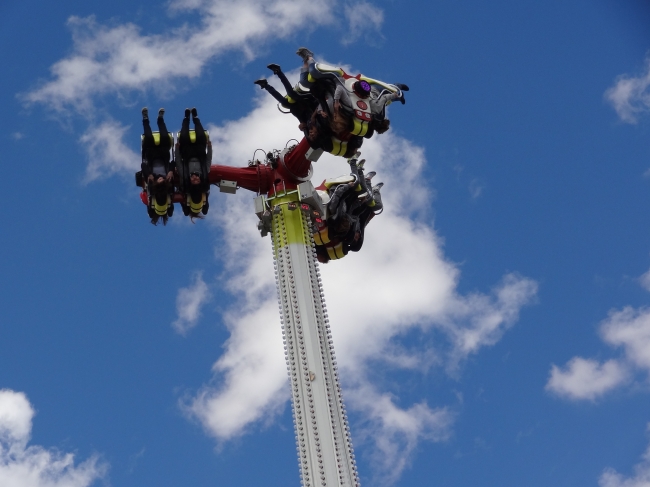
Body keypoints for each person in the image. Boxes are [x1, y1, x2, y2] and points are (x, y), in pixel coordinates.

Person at [312, 154, 383, 263]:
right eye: (357, 237)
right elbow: (357, 213)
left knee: (357, 184)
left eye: (355, 237)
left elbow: (338, 195)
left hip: (338, 189)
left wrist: (348, 187)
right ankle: (371, 185)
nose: (357, 236)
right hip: (350, 199)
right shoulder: (352, 220)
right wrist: (361, 203)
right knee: (375, 205)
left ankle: (353, 163)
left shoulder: (336, 212)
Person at [140, 107, 175, 225]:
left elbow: (143, 165)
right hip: (163, 154)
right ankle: (160, 120)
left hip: (150, 154)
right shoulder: (169, 181)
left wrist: (149, 174)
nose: (161, 178)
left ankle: (145, 119)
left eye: (159, 180)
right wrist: (170, 171)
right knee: (165, 138)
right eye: (162, 180)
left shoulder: (150, 181)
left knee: (149, 138)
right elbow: (172, 163)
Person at [177, 107, 211, 218]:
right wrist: (209, 147)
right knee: (201, 135)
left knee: (184, 136)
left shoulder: (185, 175)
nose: (195, 178)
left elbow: (178, 162)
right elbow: (208, 160)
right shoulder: (205, 175)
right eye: (197, 180)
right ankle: (195, 117)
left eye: (194, 180)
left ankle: (186, 117)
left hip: (187, 154)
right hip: (199, 152)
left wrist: (177, 149)